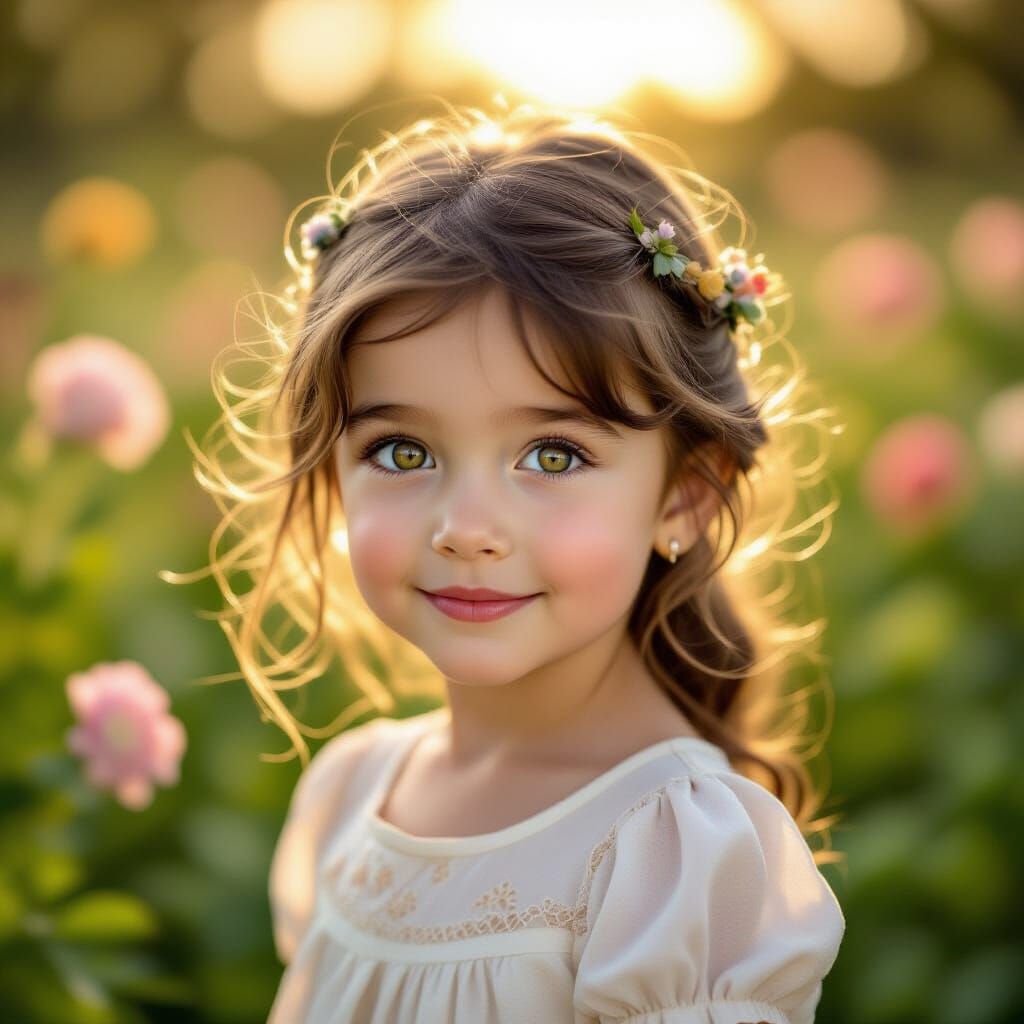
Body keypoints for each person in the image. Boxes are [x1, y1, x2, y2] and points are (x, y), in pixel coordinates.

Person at [198, 100, 846, 1022]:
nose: (467, 529)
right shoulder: (349, 794)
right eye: (402, 452)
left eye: (553, 455)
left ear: (684, 495)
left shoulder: (674, 857)